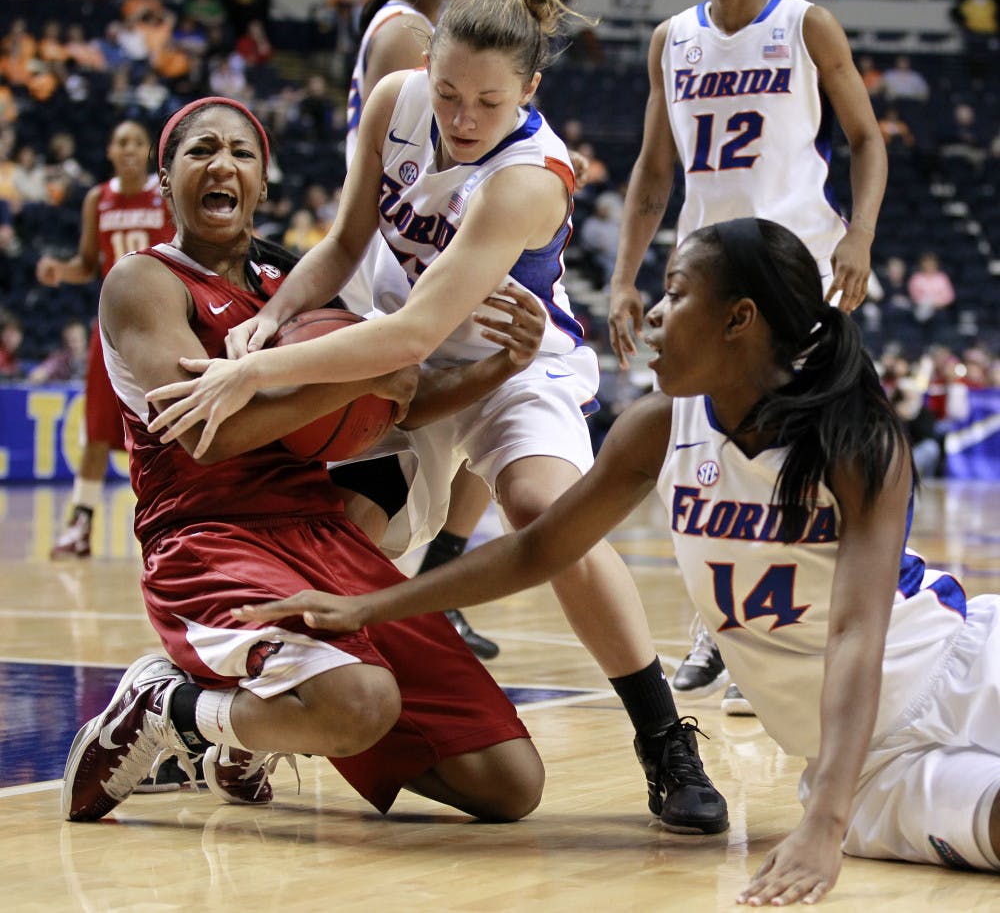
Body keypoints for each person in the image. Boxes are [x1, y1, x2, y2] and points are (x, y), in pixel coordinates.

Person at [239, 218, 1000, 905]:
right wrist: (370, 606)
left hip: (955, 672)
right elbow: (539, 547)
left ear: (740, 319)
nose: (654, 315)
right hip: (860, 767)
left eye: (676, 293)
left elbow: (854, 636)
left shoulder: (855, 437)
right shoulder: (657, 428)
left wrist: (826, 823)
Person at [145, 0, 729, 834]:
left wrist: (254, 375)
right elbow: (346, 241)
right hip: (386, 361)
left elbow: (419, 332)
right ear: (427, 67)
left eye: (486, 103)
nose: (459, 118)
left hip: (508, 363)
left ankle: (661, 738)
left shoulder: (532, 178)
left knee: (545, 511)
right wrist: (271, 321)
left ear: (529, 92)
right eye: (447, 92)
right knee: (337, 533)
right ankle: (250, 713)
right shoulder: (395, 98)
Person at [63, 96, 557, 826]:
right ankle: (170, 709)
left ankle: (244, 728)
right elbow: (207, 434)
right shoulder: (146, 282)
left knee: (510, 785)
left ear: (264, 182)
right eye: (200, 150)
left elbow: (397, 402)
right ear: (166, 182)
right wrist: (363, 371)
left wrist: (504, 364)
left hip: (320, 533)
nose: (221, 163)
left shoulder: (292, 288)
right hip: (208, 537)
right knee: (359, 702)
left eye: (241, 151)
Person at [607, 0, 888, 707]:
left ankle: (817, 627)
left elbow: (866, 138)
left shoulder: (806, 25)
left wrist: (860, 235)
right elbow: (654, 167)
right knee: (706, 454)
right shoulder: (672, 38)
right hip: (706, 274)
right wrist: (627, 275)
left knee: (804, 449)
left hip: (799, 266)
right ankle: (721, 627)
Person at [342, 0, 494, 659]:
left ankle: (427, 589)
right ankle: (350, 595)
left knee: (469, 425)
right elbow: (425, 164)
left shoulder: (415, 28)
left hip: (398, 250)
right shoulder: (407, 36)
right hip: (389, 255)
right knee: (405, 443)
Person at [36, 120, 175, 560]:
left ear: (148, 150)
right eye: (121, 142)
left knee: (173, 424)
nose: (130, 148)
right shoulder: (98, 198)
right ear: (112, 152)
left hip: (164, 320)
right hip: (112, 326)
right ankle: (80, 524)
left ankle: (179, 520)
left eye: (137, 141)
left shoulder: (165, 195)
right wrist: (61, 271)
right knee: (96, 430)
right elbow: (86, 261)